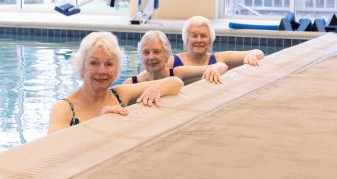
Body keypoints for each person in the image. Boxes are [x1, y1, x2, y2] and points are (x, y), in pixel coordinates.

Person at [48, 31, 184, 134]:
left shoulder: (120, 94)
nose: (102, 71)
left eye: (109, 64)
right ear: (82, 67)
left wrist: (156, 88)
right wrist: (98, 124)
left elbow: (176, 82)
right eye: (94, 63)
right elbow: (51, 148)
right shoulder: (64, 108)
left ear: (116, 68)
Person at [123, 30, 228, 85]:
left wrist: (213, 69)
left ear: (167, 54)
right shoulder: (130, 83)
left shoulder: (178, 73)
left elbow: (221, 65)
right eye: (146, 53)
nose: (151, 57)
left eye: (157, 52)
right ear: (140, 56)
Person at [167, 16, 264, 69]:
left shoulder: (219, 59)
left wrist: (251, 56)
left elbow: (258, 52)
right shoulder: (172, 61)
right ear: (186, 39)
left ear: (210, 40)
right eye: (194, 36)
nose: (199, 40)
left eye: (204, 36)